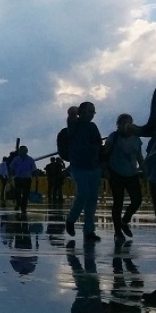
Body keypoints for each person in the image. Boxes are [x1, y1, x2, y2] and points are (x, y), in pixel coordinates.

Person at [65, 102, 103, 242]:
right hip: (79, 166)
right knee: (83, 194)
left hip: (94, 166)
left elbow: (99, 144)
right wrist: (77, 111)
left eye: (93, 112)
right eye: (89, 111)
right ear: (81, 112)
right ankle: (71, 219)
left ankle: (89, 231)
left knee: (92, 199)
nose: (91, 114)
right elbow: (71, 112)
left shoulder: (93, 126)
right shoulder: (74, 123)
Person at [104, 113, 144, 243]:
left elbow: (139, 155)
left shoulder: (136, 138)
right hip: (115, 172)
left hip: (132, 173)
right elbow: (105, 154)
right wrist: (106, 170)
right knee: (118, 202)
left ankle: (125, 221)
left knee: (137, 199)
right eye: (124, 123)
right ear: (119, 125)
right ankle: (117, 231)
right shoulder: (113, 137)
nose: (127, 126)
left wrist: (144, 169)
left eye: (129, 123)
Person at [9, 145, 36, 216]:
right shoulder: (16, 159)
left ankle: (24, 207)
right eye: (20, 150)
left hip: (27, 179)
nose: (21, 152)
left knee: (25, 194)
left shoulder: (30, 159)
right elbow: (12, 168)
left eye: (23, 150)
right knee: (17, 193)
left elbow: (33, 169)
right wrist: (10, 176)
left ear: (26, 151)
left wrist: (35, 177)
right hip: (18, 178)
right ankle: (18, 203)